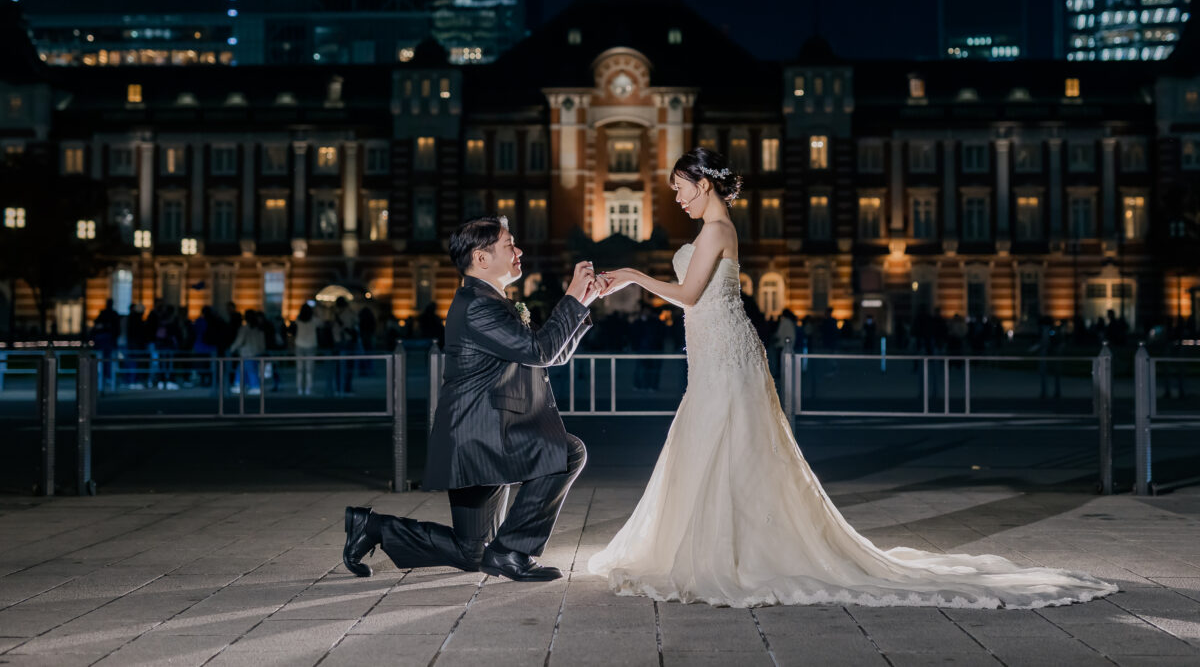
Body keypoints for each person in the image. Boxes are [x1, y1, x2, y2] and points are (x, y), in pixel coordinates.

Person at [587, 147, 1116, 609]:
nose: (678, 199)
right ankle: (729, 544)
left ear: (703, 184)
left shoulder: (717, 230)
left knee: (728, 446)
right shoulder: (714, 229)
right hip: (717, 353)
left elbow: (690, 294)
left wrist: (632, 274)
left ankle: (731, 551)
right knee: (721, 448)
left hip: (725, 356)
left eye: (681, 189)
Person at [342, 216, 608, 582]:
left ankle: (371, 527)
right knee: (566, 452)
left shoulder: (490, 301)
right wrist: (571, 298)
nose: (519, 251)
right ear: (481, 259)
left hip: (483, 435)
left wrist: (583, 302)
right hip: (482, 437)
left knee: (472, 552)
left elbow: (551, 354)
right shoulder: (478, 305)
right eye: (509, 245)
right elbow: (541, 350)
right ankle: (513, 551)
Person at [290, 302, 319, 396]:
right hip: (311, 345)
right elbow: (322, 323)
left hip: (299, 344)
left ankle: (299, 389)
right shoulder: (314, 320)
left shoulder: (298, 320)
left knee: (299, 369)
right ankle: (308, 388)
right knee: (309, 369)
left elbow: (293, 332)